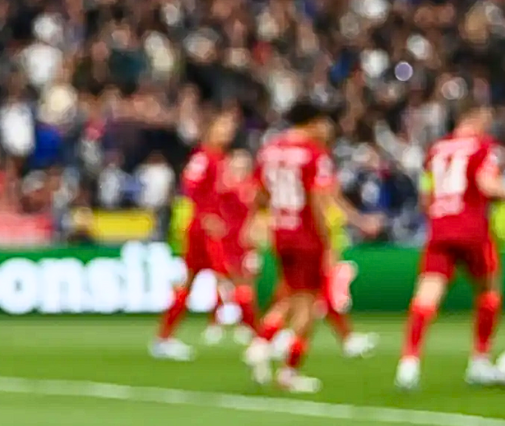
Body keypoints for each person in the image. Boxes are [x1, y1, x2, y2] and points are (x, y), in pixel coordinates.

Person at [395, 105, 505, 391]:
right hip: (472, 229)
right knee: (489, 292)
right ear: (474, 118)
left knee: (426, 297)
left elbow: (425, 197)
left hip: (440, 229)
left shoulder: (436, 149)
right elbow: (487, 185)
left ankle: (408, 364)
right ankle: (479, 362)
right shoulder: (482, 146)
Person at [242, 103, 378, 393]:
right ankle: (288, 370)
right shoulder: (315, 154)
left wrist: (258, 220)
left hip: (282, 232)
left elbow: (261, 192)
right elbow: (318, 199)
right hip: (306, 236)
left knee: (289, 297)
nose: (328, 129)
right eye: (325, 122)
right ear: (313, 122)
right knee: (307, 305)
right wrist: (327, 238)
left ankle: (262, 342)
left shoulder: (270, 149)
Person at [151, 109, 238, 361]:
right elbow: (191, 187)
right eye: (223, 127)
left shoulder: (220, 158)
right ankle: (258, 335)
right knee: (227, 275)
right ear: (210, 130)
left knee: (191, 282)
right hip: (203, 230)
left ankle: (165, 338)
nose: (228, 132)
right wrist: (206, 216)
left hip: (210, 228)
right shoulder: (203, 157)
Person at [201, 148, 261, 346]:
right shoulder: (223, 185)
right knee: (223, 281)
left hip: (244, 241)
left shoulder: (253, 186)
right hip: (224, 239)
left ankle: (246, 323)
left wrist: (255, 235)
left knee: (246, 283)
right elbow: (209, 206)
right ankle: (215, 322)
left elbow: (257, 212)